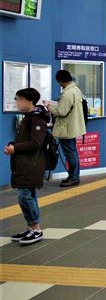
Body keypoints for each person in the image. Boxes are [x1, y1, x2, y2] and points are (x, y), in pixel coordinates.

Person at [5, 88, 50, 246]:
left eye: (18, 99)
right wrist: (13, 145)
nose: (16, 102)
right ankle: (31, 227)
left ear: (29, 101)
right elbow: (25, 139)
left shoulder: (37, 119)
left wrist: (15, 148)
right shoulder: (29, 117)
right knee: (29, 194)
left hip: (32, 163)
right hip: (26, 162)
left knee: (24, 196)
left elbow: (36, 143)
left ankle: (36, 229)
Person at [44, 70, 86, 188]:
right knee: (73, 152)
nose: (60, 84)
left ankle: (73, 177)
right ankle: (74, 176)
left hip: (67, 128)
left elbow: (61, 111)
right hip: (73, 127)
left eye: (59, 82)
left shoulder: (67, 93)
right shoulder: (76, 90)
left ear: (61, 81)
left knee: (70, 153)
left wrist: (48, 106)